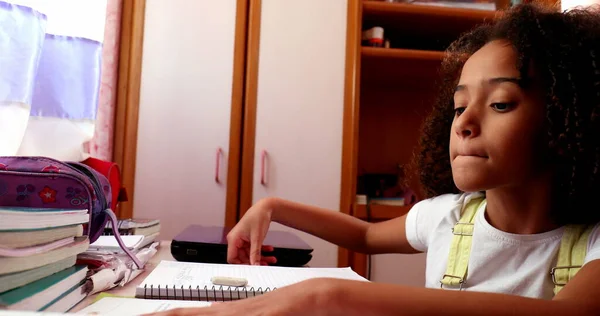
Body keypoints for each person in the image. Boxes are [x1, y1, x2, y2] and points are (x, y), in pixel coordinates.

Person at [151, 3, 600, 315]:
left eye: (500, 103)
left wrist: (330, 298)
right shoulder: (448, 218)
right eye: (459, 106)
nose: (464, 124)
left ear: (570, 117)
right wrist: (273, 207)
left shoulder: (593, 243)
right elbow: (364, 234)